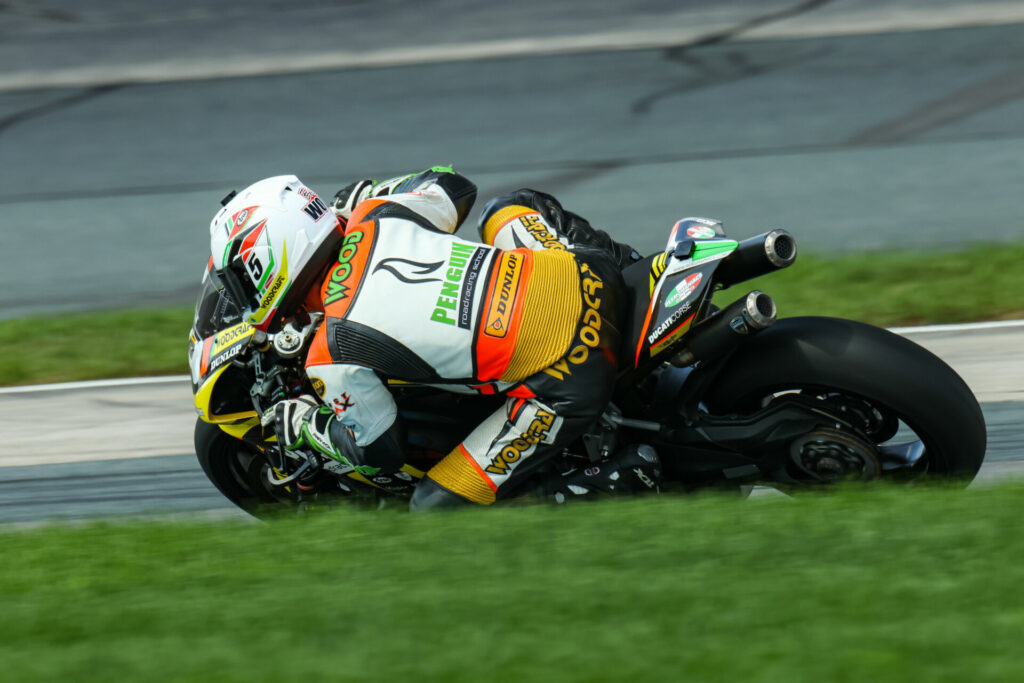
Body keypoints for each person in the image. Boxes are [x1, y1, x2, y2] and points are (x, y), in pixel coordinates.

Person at [207, 167, 661, 510]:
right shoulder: (377, 214)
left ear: (264, 262)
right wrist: (369, 195)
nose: (243, 296)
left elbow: (379, 452)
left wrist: (305, 423)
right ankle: (639, 276)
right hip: (586, 270)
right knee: (506, 207)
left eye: (240, 282)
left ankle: (618, 480)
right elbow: (453, 185)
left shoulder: (331, 352)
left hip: (570, 373)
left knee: (433, 506)